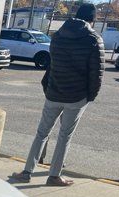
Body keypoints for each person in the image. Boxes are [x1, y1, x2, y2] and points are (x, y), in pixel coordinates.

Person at [12, 3, 104, 186]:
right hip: (77, 96)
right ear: (92, 19)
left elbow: (52, 66)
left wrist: (48, 87)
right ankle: (54, 176)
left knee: (42, 133)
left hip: (53, 93)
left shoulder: (58, 35)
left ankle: (27, 171)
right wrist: (90, 96)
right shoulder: (94, 39)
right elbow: (96, 73)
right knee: (64, 136)